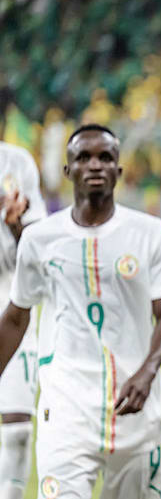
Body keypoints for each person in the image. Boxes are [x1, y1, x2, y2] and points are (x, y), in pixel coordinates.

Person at [0, 125, 161, 498]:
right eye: (83, 157)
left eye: (105, 158)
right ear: (68, 170)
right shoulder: (40, 238)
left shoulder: (149, 233)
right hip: (65, 412)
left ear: (119, 170)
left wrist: (147, 373)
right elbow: (16, 317)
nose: (95, 165)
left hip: (134, 411)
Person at [0, 141, 47, 499]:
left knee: (17, 429)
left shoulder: (16, 162)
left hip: (9, 297)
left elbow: (38, 250)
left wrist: (16, 224)